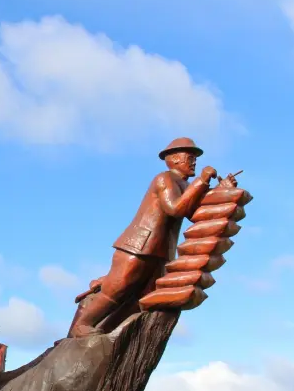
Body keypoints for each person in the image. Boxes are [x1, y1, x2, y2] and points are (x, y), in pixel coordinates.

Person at [68, 137, 223, 338]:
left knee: (143, 298)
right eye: (190, 157)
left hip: (160, 251)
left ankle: (108, 326)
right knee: (119, 287)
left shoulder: (184, 184)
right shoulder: (164, 179)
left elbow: (193, 210)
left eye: (195, 158)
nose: (194, 161)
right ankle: (84, 324)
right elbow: (176, 208)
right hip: (140, 245)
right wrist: (202, 181)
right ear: (174, 159)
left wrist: (220, 189)